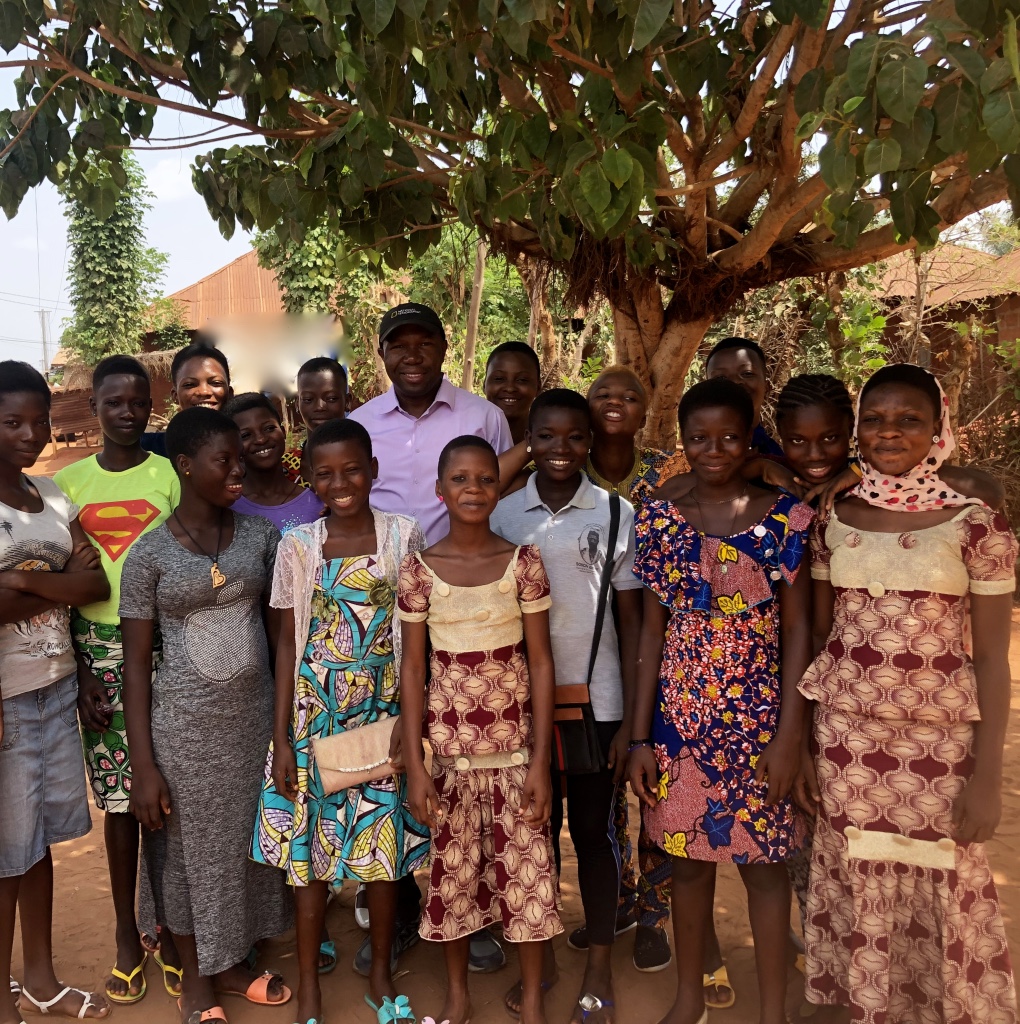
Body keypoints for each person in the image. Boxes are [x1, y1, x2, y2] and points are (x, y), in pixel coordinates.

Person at [797, 363, 1018, 1023]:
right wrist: (809, 743)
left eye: (909, 419)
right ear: (858, 430)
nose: (890, 432)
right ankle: (865, 1003)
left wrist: (985, 779)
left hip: (938, 747)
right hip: (847, 741)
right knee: (853, 873)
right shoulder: (835, 517)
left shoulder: (976, 524)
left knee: (943, 879)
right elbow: (818, 635)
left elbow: (995, 664)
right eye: (876, 419)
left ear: (938, 428)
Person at [628, 377, 814, 1024]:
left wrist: (791, 735)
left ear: (749, 438)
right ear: (681, 441)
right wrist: (640, 739)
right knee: (687, 862)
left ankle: (771, 1012)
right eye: (699, 437)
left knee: (764, 866)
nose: (715, 449)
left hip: (762, 723)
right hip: (680, 723)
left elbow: (799, 632)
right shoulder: (659, 519)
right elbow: (650, 632)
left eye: (730, 436)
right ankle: (688, 997)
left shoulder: (787, 518)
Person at [349, 302, 512, 974]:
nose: (412, 355)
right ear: (382, 352)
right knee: (384, 758)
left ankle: (472, 903)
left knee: (460, 756)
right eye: (399, 344)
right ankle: (394, 904)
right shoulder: (361, 425)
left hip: (465, 615)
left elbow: (499, 493)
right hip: (376, 618)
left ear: (445, 347)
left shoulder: (483, 417)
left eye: (425, 343)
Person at [251, 418, 430, 1024]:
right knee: (310, 859)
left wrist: (413, 716)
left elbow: (415, 640)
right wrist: (280, 738)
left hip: (383, 717)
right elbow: (284, 645)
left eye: (352, 469)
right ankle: (310, 985)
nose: (341, 482)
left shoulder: (404, 537)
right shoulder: (299, 545)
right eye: (324, 474)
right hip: (313, 718)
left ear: (373, 470)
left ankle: (380, 970)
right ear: (310, 480)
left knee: (381, 853)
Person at [120, 407, 293, 1024]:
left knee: (245, 848)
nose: (238, 469)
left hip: (250, 724)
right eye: (225, 459)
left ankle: (235, 962)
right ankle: (196, 980)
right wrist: (144, 764)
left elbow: (281, 642)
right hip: (183, 731)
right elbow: (136, 664)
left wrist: (283, 730)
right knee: (187, 854)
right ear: (186, 466)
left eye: (241, 458)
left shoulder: (259, 539)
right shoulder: (148, 556)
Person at [491, 389, 642, 1024]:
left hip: (597, 703)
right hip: (518, 706)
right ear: (528, 440)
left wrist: (633, 723)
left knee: (596, 837)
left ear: (589, 442)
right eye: (545, 437)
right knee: (534, 837)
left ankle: (598, 966)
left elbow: (631, 622)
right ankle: (542, 953)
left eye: (573, 437)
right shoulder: (503, 515)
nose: (560, 450)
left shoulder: (614, 513)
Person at [398, 436, 560, 1024]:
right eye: (461, 480)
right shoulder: (419, 571)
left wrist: (541, 760)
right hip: (449, 761)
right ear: (441, 491)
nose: (474, 489)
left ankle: (534, 992)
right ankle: (458, 992)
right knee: (453, 878)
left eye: (486, 479)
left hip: (516, 757)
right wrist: (417, 768)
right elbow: (413, 668)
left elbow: (540, 662)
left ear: (501, 488)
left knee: (530, 878)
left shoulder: (524, 564)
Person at [52, 356, 180, 1004]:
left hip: (167, 647)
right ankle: (128, 938)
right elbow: (64, 587)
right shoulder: (67, 484)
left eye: (138, 402)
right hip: (99, 653)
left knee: (171, 792)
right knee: (124, 801)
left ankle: (171, 928)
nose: (128, 412)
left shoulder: (170, 476)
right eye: (114, 402)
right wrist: (79, 669)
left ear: (151, 406)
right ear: (94, 406)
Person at [0, 361, 112, 1024]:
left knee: (37, 844)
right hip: (7, 705)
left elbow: (92, 586)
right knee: (6, 853)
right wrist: (54, 578)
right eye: (10, 421)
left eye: (37, 419)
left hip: (55, 688)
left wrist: (19, 585)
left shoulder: (54, 498)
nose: (28, 432)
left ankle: (40, 980)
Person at [570, 365, 689, 973]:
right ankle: (611, 901)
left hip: (664, 648)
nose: (615, 403)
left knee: (655, 785)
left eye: (630, 396)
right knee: (605, 788)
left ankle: (654, 912)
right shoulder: (569, 469)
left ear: (648, 411)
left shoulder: (672, 470)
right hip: (595, 657)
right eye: (602, 395)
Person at [224, 393, 323, 531]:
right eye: (246, 435)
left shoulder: (317, 505)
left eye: (269, 428)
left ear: (283, 431)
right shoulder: (227, 508)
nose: (261, 439)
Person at [141, 339, 233, 458]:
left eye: (215, 383)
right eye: (190, 385)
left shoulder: (248, 444)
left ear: (229, 393)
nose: (204, 392)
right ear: (175, 395)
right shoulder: (151, 448)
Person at [704, 337, 783, 460]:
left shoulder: (779, 458)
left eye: (747, 373)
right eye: (720, 378)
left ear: (767, 388)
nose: (735, 382)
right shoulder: (679, 463)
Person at [283, 358, 348, 486]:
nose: (319, 406)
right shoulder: (284, 468)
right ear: (297, 404)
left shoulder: (364, 458)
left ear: (348, 402)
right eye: (308, 399)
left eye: (331, 398)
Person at [483, 342, 541, 446]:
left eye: (522, 380)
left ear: (538, 387)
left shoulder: (550, 445)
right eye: (499, 379)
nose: (510, 388)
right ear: (484, 384)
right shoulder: (468, 433)